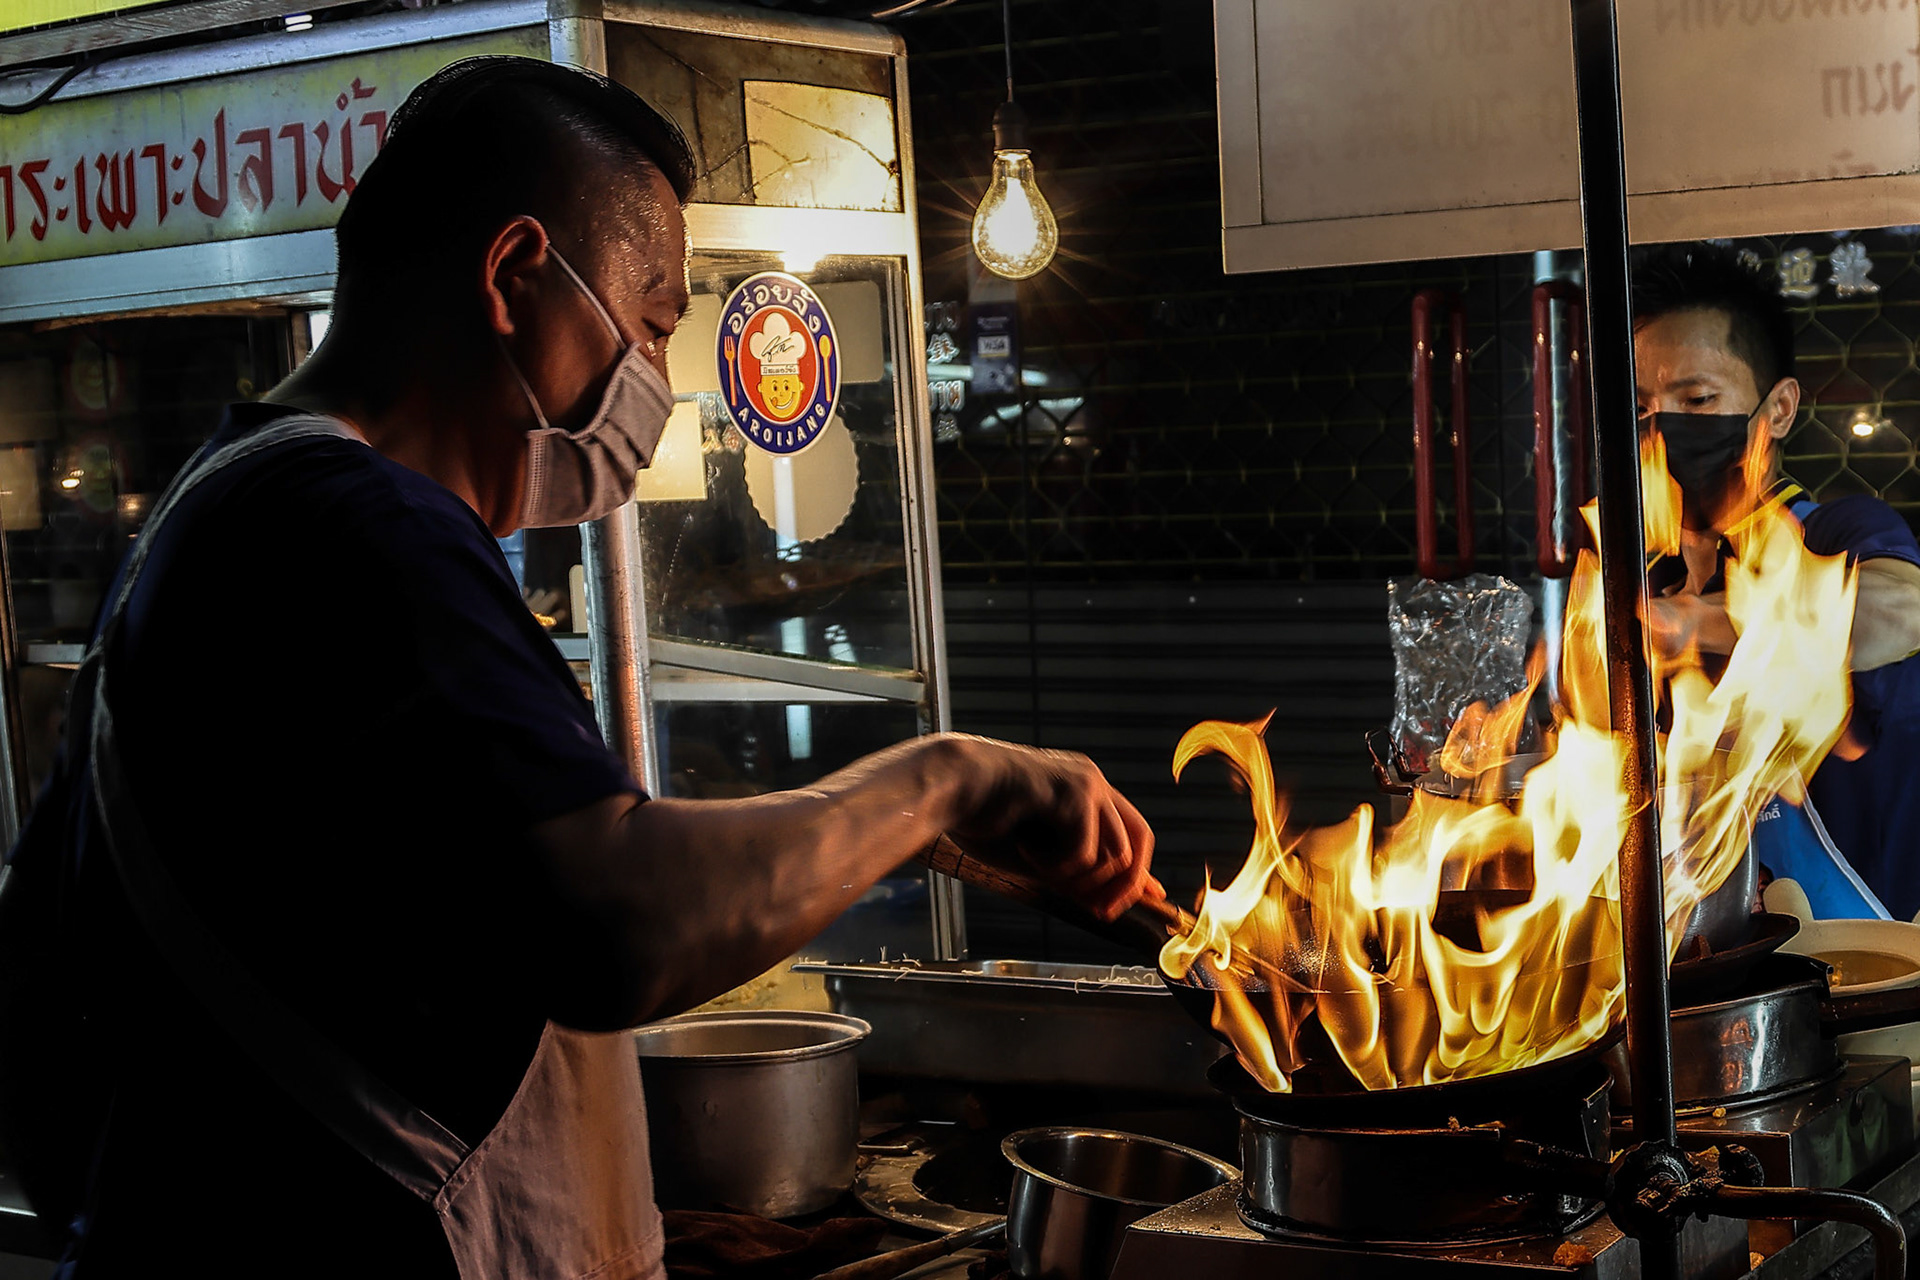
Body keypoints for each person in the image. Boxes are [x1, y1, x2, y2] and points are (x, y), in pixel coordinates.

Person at [4, 58, 1159, 1279]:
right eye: (654, 321)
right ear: (514, 277)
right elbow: (614, 918)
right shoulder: (356, 525)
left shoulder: (222, 507)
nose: (655, 375)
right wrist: (939, 781)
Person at [1632, 241, 1920, 918]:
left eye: (1697, 398)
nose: (1661, 429)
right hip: (1713, 965)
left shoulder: (1839, 536)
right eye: (1641, 406)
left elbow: (1902, 613)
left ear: (1779, 410)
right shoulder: (1645, 580)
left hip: (1876, 970)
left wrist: (1699, 623)